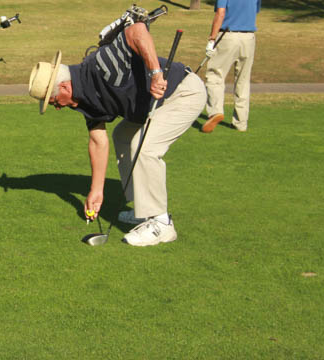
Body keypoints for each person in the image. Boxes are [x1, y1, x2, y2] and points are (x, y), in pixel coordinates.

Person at [27, 17, 205, 247]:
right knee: (122, 136)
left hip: (182, 93)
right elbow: (97, 140)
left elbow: (137, 31)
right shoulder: (82, 99)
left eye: (54, 101)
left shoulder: (101, 66)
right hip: (151, 107)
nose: (58, 107)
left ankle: (162, 224)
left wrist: (155, 73)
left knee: (145, 147)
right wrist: (96, 191)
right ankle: (144, 209)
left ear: (64, 87)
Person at [201, 0, 262, 133]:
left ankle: (215, 112)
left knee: (214, 75)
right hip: (249, 38)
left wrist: (212, 39)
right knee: (243, 80)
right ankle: (241, 123)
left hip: (227, 36)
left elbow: (220, 13)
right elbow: (255, 10)